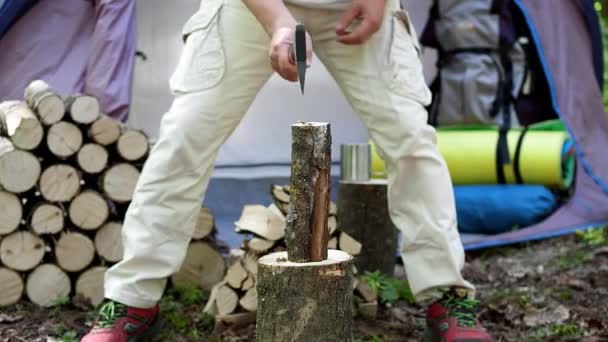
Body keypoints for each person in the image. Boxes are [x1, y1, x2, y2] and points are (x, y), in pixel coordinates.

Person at [82, 0, 494, 341]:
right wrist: (278, 21)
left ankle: (448, 295)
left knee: (411, 140)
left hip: (356, 4)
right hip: (251, 9)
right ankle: (131, 299)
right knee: (184, 136)